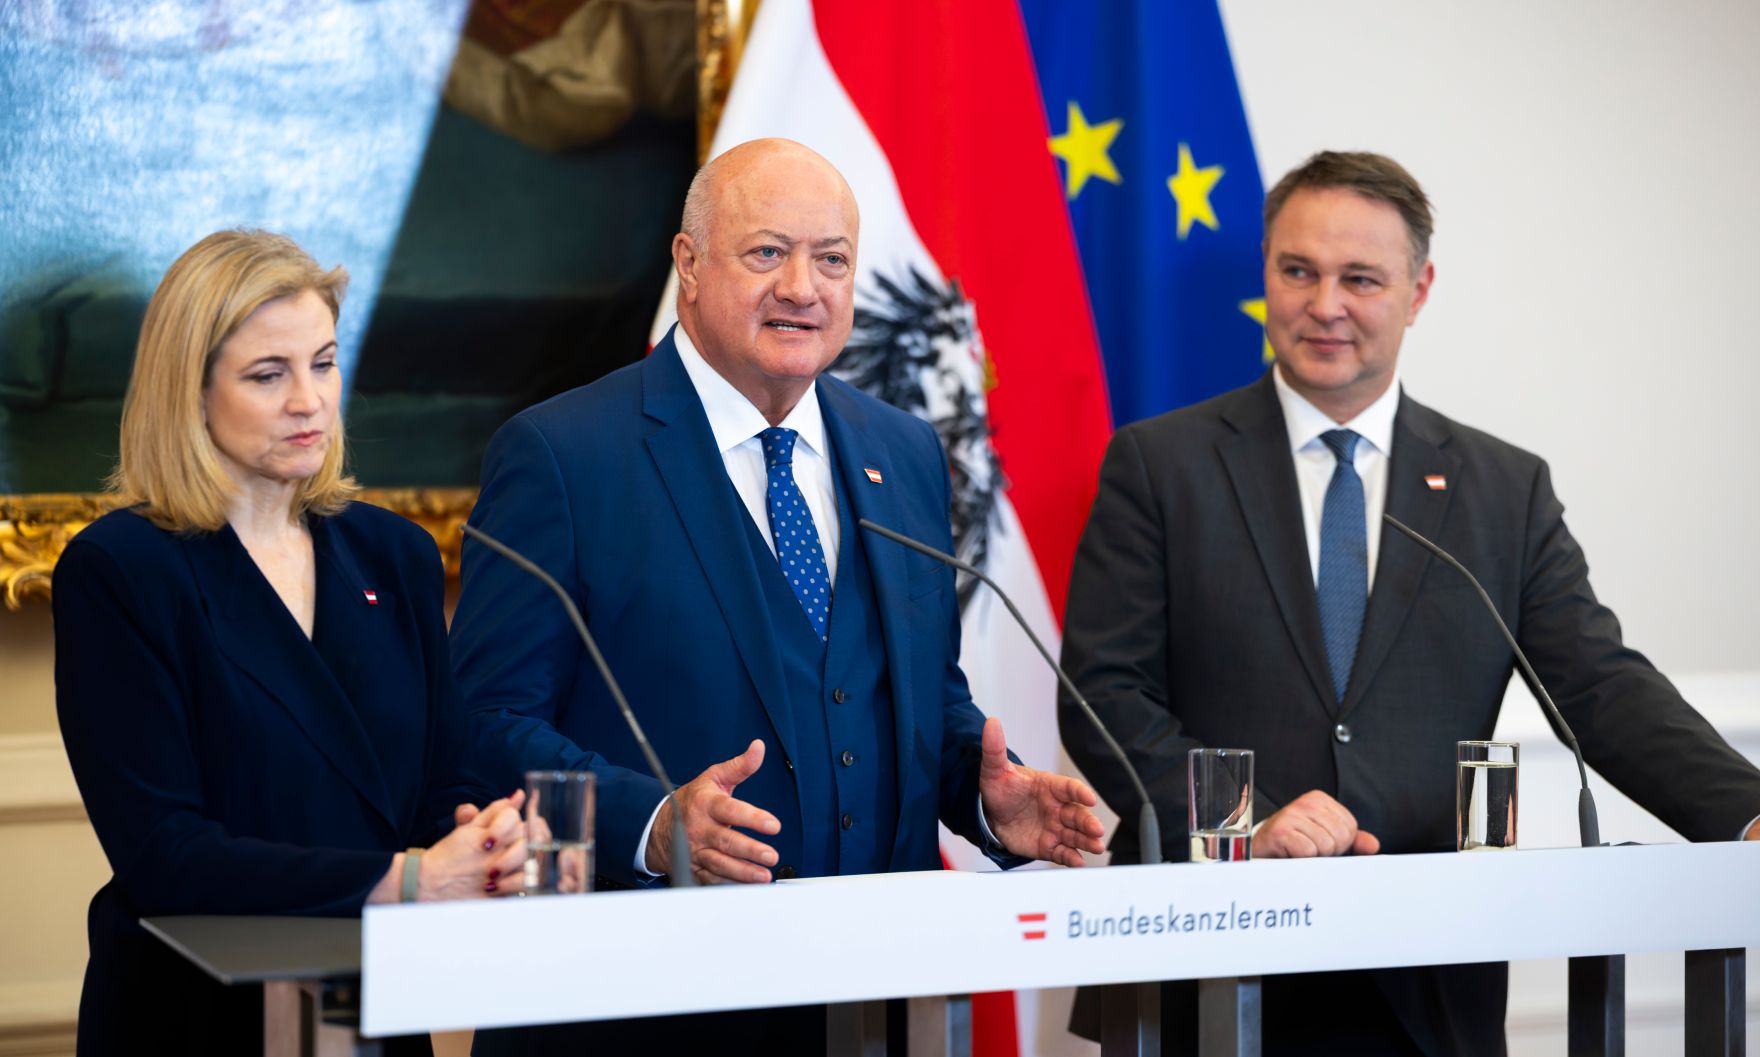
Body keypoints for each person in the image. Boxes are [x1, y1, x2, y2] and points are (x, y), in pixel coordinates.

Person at [1058, 151, 1760, 1056]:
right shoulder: (1160, 464)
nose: (1326, 305)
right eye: (1298, 270)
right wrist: (1250, 820)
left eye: (1361, 278)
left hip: (1432, 969)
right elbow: (1102, 692)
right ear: (1265, 270)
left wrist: (1745, 811)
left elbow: (1598, 684)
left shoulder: (1502, 488)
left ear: (1419, 289)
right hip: (1210, 955)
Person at [451, 138, 1105, 1050]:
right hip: (640, 1002)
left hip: (876, 1001)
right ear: (689, 264)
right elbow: (482, 724)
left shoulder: (905, 452)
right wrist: (651, 821)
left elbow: (913, 692)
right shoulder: (564, 455)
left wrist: (982, 792)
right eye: (767, 252)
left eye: (831, 259)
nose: (803, 286)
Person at [52, 230, 529, 1056]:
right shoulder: (118, 571)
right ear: (190, 393)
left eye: (324, 362)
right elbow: (166, 852)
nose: (309, 400)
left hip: (363, 1000)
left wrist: (484, 837)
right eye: (269, 375)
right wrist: (410, 879)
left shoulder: (397, 553)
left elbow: (442, 780)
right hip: (197, 1015)